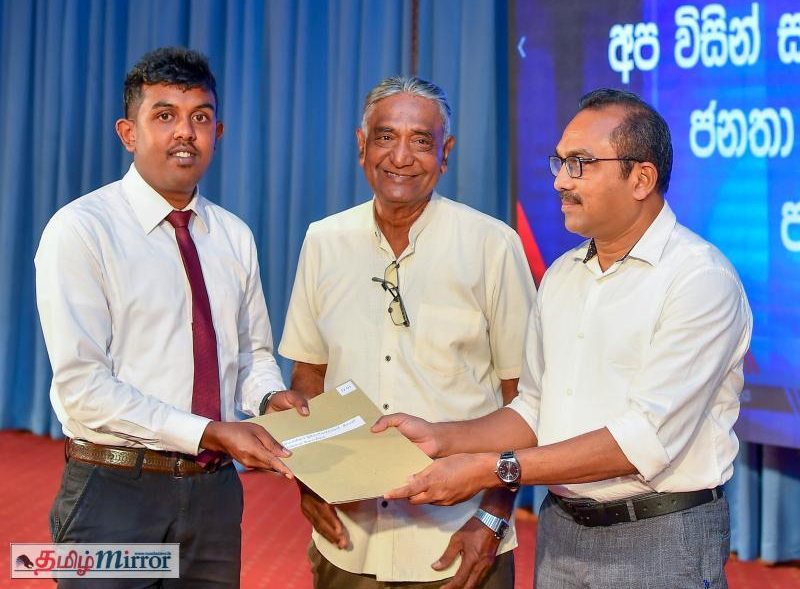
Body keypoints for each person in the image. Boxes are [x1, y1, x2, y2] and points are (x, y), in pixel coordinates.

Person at [375, 88, 753, 589]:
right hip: (561, 531)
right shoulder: (561, 275)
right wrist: (442, 438)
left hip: (660, 537)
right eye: (560, 162)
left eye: (580, 163)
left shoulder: (699, 279)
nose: (559, 181)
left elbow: (643, 440)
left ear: (641, 178)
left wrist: (490, 469)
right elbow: (534, 409)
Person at [34, 46, 307, 587]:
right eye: (164, 115)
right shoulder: (81, 230)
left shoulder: (234, 236)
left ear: (218, 133)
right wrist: (210, 432)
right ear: (128, 133)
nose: (185, 132)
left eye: (200, 117)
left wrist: (269, 398)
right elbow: (83, 388)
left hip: (214, 497)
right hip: (112, 491)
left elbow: (251, 355)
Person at [278, 76, 536, 589]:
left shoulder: (492, 245)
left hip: (458, 539)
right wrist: (310, 480)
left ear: (446, 154)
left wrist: (493, 516)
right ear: (361, 145)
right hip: (349, 539)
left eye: (421, 140)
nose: (400, 157)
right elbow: (308, 378)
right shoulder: (323, 241)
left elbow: (525, 398)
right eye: (385, 137)